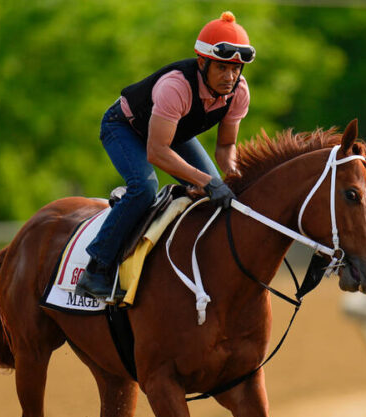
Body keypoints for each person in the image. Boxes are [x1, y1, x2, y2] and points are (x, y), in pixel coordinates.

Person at [75, 11, 254, 299]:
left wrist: (232, 177)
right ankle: (96, 268)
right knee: (144, 188)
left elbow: (225, 147)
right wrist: (207, 181)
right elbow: (157, 152)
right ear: (202, 62)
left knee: (219, 191)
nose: (230, 77)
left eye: (236, 69)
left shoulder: (239, 93)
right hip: (123, 127)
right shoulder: (176, 86)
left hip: (172, 135)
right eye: (222, 68)